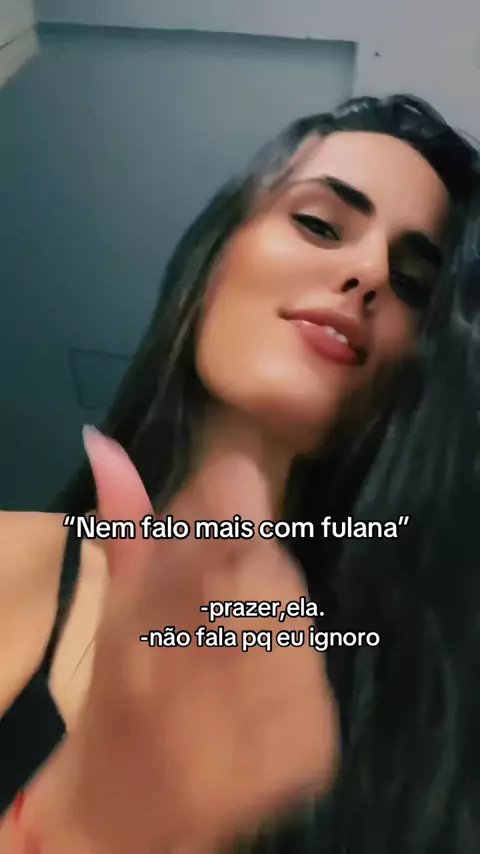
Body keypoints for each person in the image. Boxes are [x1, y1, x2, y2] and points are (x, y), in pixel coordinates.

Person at [0, 93, 479, 853]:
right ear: (214, 260)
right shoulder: (16, 561)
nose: (369, 273)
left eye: (414, 282)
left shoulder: (416, 704)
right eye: (320, 223)